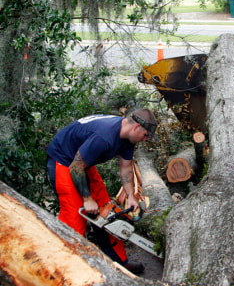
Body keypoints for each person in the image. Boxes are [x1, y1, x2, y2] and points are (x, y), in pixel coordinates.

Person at [46, 108, 158, 275]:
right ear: (136, 127)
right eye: (145, 135)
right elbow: (75, 167)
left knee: (107, 211)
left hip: (82, 163)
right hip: (64, 161)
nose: (145, 139)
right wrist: (87, 198)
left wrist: (131, 196)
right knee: (75, 216)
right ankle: (63, 271)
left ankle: (119, 262)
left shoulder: (127, 138)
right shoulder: (104, 137)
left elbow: (126, 167)